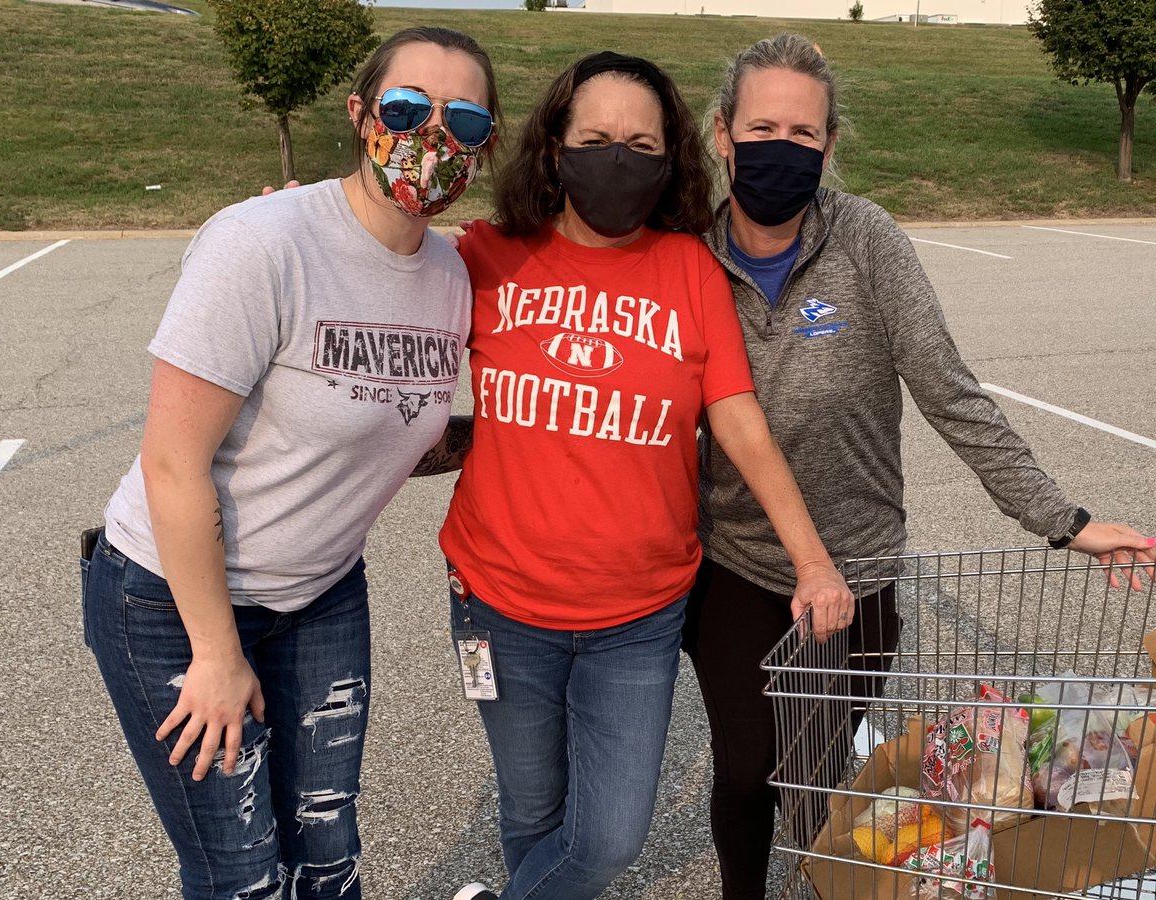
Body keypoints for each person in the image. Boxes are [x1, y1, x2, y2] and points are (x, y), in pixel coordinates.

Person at [681, 33, 1156, 900]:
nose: (780, 148)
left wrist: (1065, 520)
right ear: (722, 134)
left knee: (814, 774)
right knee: (747, 768)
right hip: (740, 564)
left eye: (803, 133)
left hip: (857, 570)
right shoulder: (686, 253)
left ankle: (826, 871)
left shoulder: (864, 240)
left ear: (828, 146)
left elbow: (951, 392)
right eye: (761, 127)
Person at [81, 26, 500, 900]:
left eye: (463, 118)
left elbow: (388, 425)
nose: (433, 136)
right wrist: (216, 654)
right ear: (359, 115)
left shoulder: (452, 274)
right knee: (241, 874)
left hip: (320, 595)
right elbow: (171, 462)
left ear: (486, 141)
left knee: (329, 852)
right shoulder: (264, 242)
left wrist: (521, 443)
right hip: (173, 599)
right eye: (405, 108)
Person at [437, 52, 853, 900]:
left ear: (671, 160)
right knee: (530, 810)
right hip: (498, 601)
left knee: (610, 838)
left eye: (640, 143)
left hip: (637, 616)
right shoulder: (486, 257)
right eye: (596, 138)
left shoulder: (687, 270)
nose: (617, 158)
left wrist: (812, 559)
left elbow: (738, 419)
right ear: (555, 148)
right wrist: (302, 228)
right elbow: (372, 295)